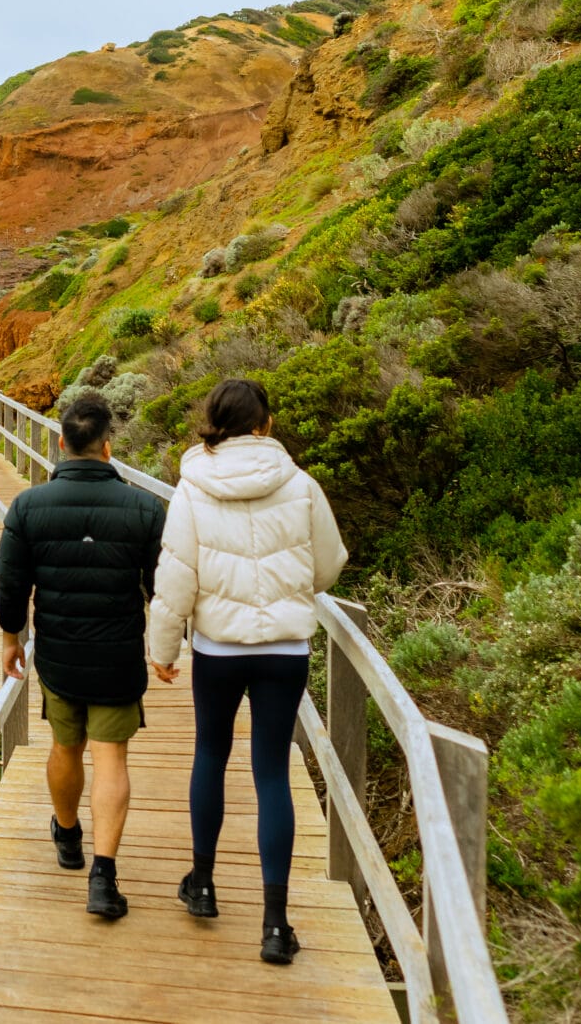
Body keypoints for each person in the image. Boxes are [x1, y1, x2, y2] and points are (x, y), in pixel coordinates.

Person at [145, 377, 348, 967]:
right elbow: (329, 564)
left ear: (216, 422)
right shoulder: (301, 483)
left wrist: (164, 649)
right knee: (271, 776)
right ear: (263, 424)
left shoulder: (192, 488)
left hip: (217, 648)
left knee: (210, 754)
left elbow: (175, 577)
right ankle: (276, 924)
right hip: (284, 650)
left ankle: (203, 885)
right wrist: (288, 592)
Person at [0, 389, 167, 919]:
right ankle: (104, 877)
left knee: (65, 747)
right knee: (111, 758)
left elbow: (10, 580)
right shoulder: (144, 508)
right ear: (108, 448)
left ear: (63, 445)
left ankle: (67, 835)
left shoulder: (28, 505)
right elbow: (161, 587)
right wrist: (164, 645)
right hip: (118, 654)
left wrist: (10, 637)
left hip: (60, 655)